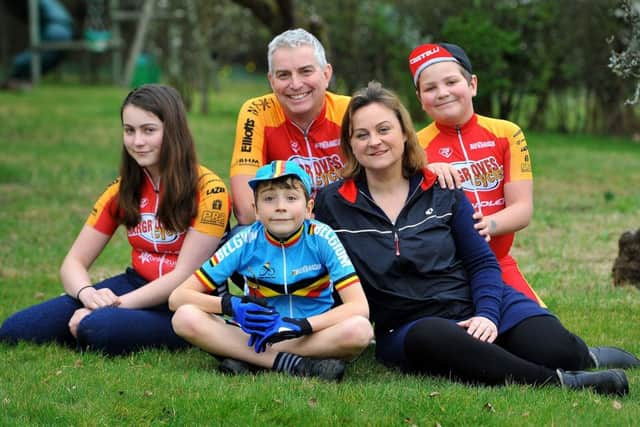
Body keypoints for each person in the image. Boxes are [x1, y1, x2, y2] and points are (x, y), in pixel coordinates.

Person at [314, 81, 637, 396]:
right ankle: (563, 384)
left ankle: (586, 357)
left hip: (471, 299)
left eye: (384, 129)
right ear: (350, 144)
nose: (374, 141)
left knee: (555, 349)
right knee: (435, 336)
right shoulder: (333, 203)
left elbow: (482, 261)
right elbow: (316, 265)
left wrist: (486, 314)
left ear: (404, 133)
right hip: (411, 324)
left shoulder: (441, 187)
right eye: (362, 134)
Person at [0, 84, 230, 355]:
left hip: (184, 303)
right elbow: (73, 263)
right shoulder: (122, 189)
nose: (137, 141)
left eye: (149, 130)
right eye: (129, 130)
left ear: (174, 131)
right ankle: (100, 322)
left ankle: (115, 326)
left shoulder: (210, 190)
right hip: (134, 284)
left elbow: (183, 276)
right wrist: (88, 295)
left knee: (99, 327)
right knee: (15, 330)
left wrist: (112, 306)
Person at [169, 160, 373, 381]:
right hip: (256, 332)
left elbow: (359, 307)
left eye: (291, 198)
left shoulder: (322, 237)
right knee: (184, 317)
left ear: (309, 208)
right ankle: (298, 365)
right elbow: (178, 297)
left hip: (310, 334)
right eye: (268, 198)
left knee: (360, 330)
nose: (280, 206)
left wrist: (302, 326)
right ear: (256, 211)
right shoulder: (246, 241)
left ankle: (251, 359)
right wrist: (230, 305)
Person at [408, 42, 543, 305]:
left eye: (451, 82)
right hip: (446, 274)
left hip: (500, 263)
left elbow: (522, 209)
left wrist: (483, 226)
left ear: (472, 85)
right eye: (430, 88)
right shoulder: (413, 147)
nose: (442, 93)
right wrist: (425, 171)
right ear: (420, 99)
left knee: (549, 337)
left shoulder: (507, 133)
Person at [228, 28, 350, 226]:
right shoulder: (257, 111)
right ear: (271, 80)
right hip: (282, 232)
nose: (295, 84)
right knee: (244, 236)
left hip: (346, 227)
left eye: (306, 71)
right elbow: (247, 210)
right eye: (284, 75)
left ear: (326, 74)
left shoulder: (350, 112)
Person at [1, 0, 73, 89]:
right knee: (47, 57)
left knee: (31, 60)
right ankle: (18, 80)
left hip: (57, 28)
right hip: (62, 27)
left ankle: (16, 80)